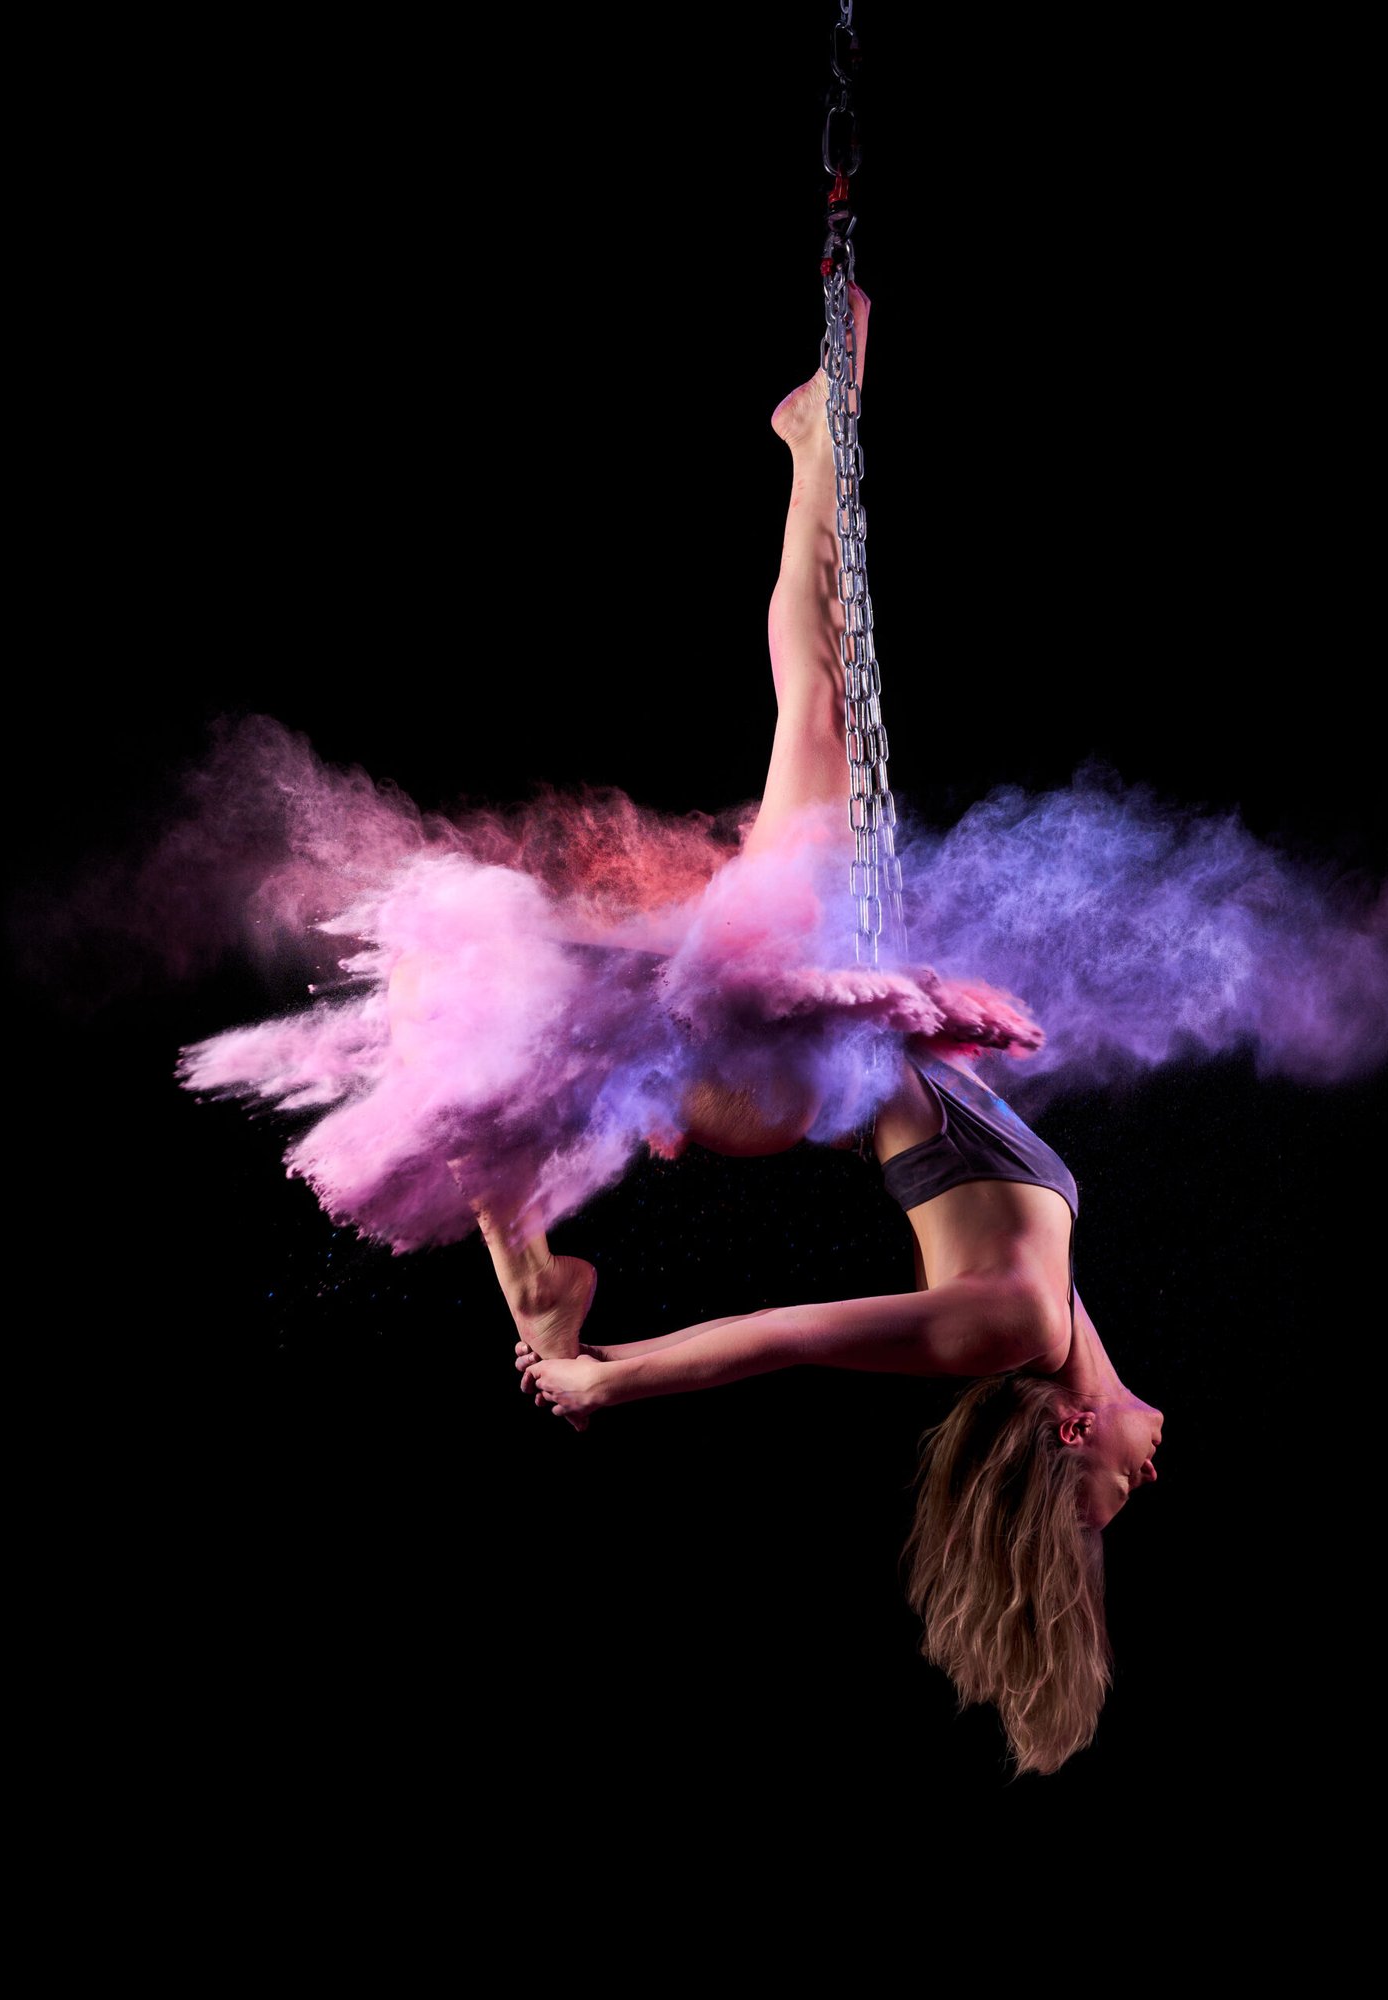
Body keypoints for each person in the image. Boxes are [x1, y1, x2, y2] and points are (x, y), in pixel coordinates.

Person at [443, 286, 1165, 1776]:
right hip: (801, 1049)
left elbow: (779, 1340)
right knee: (812, 710)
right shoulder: (1053, 1327)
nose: (1149, 1483)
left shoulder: (1013, 1328)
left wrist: (612, 1381)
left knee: (796, 730)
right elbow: (1035, 1307)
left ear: (1071, 1441)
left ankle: (543, 1308)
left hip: (781, 1066)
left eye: (1114, 1501)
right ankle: (536, 1284)